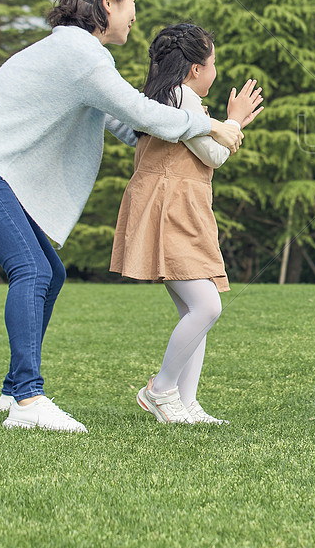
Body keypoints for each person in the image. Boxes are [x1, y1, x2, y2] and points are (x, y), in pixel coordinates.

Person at [0, 0, 260, 433]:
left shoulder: (80, 56)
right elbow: (137, 111)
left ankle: (12, 392)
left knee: (50, 272)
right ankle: (28, 400)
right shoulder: (81, 55)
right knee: (32, 269)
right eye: (130, 2)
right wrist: (213, 124)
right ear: (107, 2)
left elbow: (123, 121)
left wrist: (170, 136)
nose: (134, 14)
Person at [110, 23, 262, 425]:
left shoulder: (169, 96)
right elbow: (214, 154)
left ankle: (184, 403)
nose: (215, 71)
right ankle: (160, 391)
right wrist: (235, 121)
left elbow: (212, 151)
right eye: (212, 63)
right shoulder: (183, 97)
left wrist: (230, 125)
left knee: (195, 309)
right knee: (207, 306)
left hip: (182, 204)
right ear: (196, 68)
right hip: (170, 206)